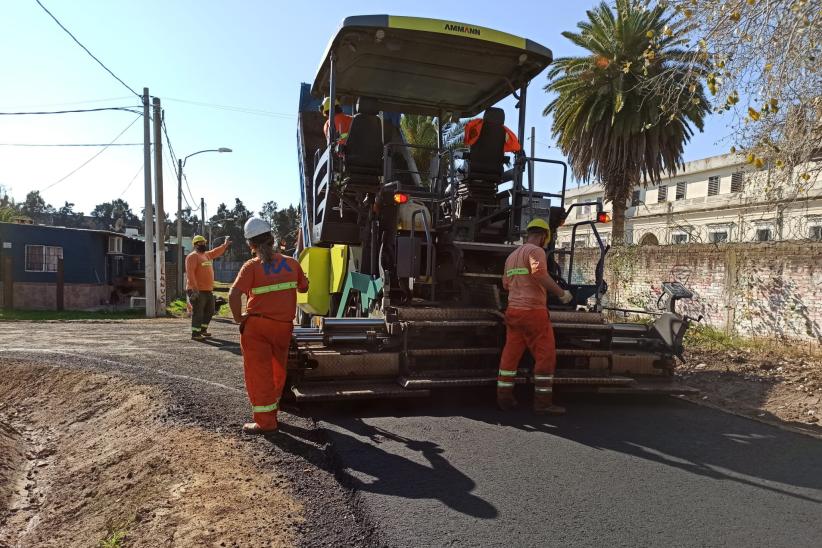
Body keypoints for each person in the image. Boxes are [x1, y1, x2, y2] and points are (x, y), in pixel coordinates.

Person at [229, 217, 309, 434]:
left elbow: (233, 295)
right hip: (283, 328)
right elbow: (304, 288)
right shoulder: (292, 264)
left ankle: (266, 422)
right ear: (272, 239)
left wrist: (238, 319)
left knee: (259, 374)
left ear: (250, 245)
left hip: (257, 328)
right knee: (276, 371)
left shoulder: (251, 267)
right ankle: (271, 411)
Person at [498, 218, 573, 415]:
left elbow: (506, 284)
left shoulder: (511, 256)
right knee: (545, 356)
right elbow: (540, 274)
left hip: (513, 312)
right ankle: (543, 403)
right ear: (543, 236)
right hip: (533, 313)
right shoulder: (536, 251)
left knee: (510, 356)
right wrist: (561, 293)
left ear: (528, 233)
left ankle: (504, 398)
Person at [185, 234, 231, 340]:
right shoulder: (192, 256)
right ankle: (195, 334)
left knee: (210, 310)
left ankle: (202, 330)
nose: (203, 244)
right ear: (195, 244)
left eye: (204, 243)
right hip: (197, 290)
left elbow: (215, 252)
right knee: (198, 311)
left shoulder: (206, 255)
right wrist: (195, 290)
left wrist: (225, 245)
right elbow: (190, 273)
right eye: (201, 243)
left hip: (207, 290)